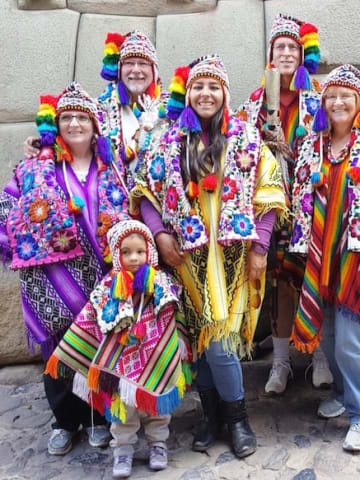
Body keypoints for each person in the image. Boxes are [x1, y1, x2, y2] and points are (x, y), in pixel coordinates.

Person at [131, 54, 288, 458]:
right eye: (198, 86)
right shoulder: (167, 141)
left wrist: (260, 247)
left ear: (224, 93)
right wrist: (161, 234)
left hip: (234, 263)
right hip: (185, 261)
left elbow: (268, 191)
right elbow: (145, 190)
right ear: (189, 93)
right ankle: (211, 416)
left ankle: (238, 419)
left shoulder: (248, 138)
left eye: (213, 86)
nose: (205, 93)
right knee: (197, 342)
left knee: (219, 342)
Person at [0, 81, 130, 455]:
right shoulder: (35, 167)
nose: (74, 124)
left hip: (101, 273)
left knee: (101, 345)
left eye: (81, 118)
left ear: (94, 126)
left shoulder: (113, 168)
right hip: (52, 277)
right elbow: (9, 206)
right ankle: (65, 420)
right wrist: (17, 246)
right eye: (67, 118)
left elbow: (130, 212)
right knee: (58, 348)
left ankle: (100, 418)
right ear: (57, 126)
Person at [45, 219, 192, 478]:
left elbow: (174, 313)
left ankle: (158, 444)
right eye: (126, 252)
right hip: (121, 362)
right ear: (116, 253)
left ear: (149, 251)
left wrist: (179, 338)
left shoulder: (162, 282)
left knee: (157, 407)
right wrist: (71, 349)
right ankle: (123, 449)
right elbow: (90, 319)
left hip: (156, 355)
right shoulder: (107, 287)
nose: (133, 258)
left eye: (139, 251)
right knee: (122, 409)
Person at [238, 13, 332, 394]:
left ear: (303, 53)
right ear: (271, 56)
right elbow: (237, 145)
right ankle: (280, 363)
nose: (287, 53)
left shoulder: (319, 99)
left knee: (311, 278)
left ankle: (319, 356)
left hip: (310, 206)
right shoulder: (255, 103)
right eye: (280, 48)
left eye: (293, 47)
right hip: (269, 210)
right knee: (276, 284)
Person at [290, 64, 360, 451]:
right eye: (331, 96)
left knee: (350, 340)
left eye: (345, 96)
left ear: (357, 103)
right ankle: (342, 390)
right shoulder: (311, 146)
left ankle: (359, 413)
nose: (337, 102)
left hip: (353, 257)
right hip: (321, 256)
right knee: (330, 335)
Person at [24, 30, 167, 194]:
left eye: (142, 63)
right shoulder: (99, 108)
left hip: (161, 201)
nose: (135, 70)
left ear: (154, 69)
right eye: (129, 63)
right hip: (113, 202)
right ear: (118, 69)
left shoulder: (170, 109)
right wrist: (39, 143)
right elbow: (70, 133)